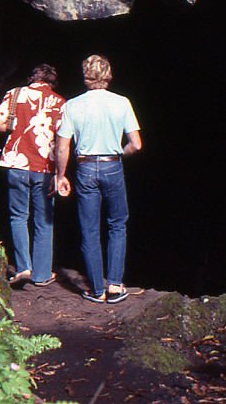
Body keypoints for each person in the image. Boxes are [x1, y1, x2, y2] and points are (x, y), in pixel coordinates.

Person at [55, 55, 142, 304]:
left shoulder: (73, 105)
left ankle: (96, 289)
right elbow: (136, 144)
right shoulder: (122, 102)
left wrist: (60, 175)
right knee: (117, 224)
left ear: (85, 76)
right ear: (109, 75)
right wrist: (118, 157)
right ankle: (115, 285)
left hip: (84, 168)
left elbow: (63, 146)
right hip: (112, 165)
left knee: (90, 229)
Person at [0, 64, 65, 287]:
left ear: (31, 78)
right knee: (44, 221)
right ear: (52, 82)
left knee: (18, 216)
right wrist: (61, 173)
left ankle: (24, 268)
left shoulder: (14, 95)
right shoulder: (60, 102)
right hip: (43, 166)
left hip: (16, 163)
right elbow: (63, 140)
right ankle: (42, 275)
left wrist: (15, 129)